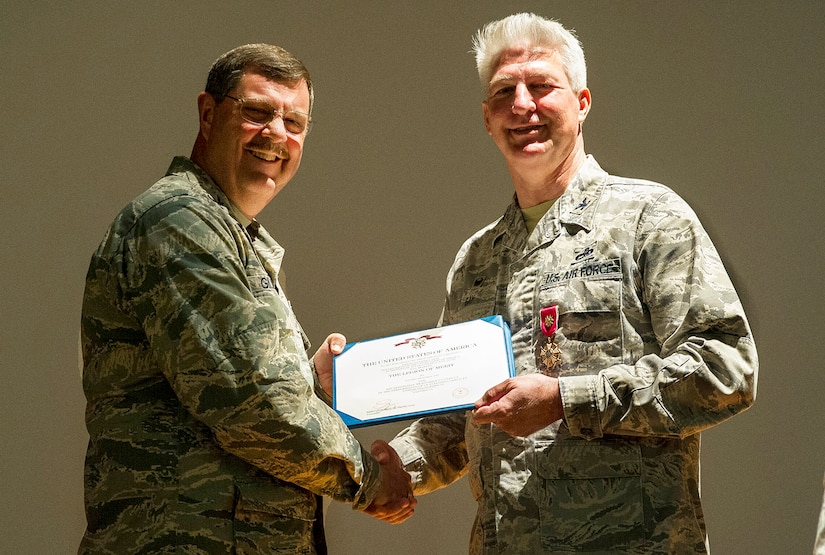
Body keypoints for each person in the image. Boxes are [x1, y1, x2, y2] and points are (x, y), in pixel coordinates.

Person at [383, 13, 758, 553]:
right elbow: (457, 416)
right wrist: (395, 470)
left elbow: (727, 369)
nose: (522, 105)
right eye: (504, 92)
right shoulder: (476, 260)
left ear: (581, 103)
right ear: (487, 119)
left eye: (541, 86)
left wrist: (567, 399)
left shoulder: (648, 219)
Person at [79, 43, 414, 554]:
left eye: (295, 123)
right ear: (209, 114)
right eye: (257, 112)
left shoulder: (230, 236)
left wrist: (311, 379)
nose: (277, 134)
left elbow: (241, 381)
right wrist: (368, 479)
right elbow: (251, 402)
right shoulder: (178, 221)